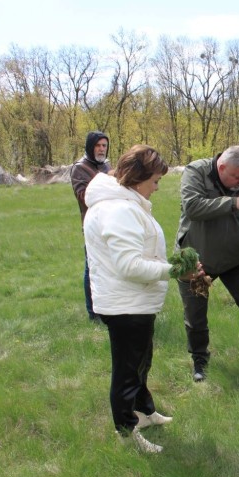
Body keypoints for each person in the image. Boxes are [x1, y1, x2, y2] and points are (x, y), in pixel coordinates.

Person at [84, 144, 190, 454]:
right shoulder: (119, 209)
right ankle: (127, 435)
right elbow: (129, 266)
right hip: (125, 305)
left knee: (141, 363)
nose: (157, 188)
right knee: (127, 373)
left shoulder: (122, 203)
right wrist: (174, 271)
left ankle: (144, 412)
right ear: (138, 177)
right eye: (155, 180)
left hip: (134, 301)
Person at [175, 145, 239, 383]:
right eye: (236, 177)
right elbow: (192, 206)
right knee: (195, 314)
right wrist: (232, 203)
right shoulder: (196, 172)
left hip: (235, 258)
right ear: (221, 167)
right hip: (194, 257)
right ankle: (200, 360)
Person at [70, 131, 110, 322]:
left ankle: (106, 307)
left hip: (110, 222)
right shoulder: (80, 168)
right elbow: (84, 196)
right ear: (90, 146)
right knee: (92, 267)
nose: (101, 149)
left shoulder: (105, 166)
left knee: (107, 267)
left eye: (104, 145)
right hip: (91, 224)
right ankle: (93, 312)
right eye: (98, 145)